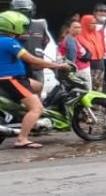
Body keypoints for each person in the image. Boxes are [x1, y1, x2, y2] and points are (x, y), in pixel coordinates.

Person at [0, 10, 70, 149]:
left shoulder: (4, 40)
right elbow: (31, 59)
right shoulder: (9, 42)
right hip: (13, 79)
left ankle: (29, 117)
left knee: (38, 86)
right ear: (13, 25)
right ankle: (22, 138)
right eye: (22, 26)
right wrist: (56, 65)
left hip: (14, 78)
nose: (24, 29)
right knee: (37, 108)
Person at [11, 0, 51, 95]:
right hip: (18, 67)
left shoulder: (41, 24)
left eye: (25, 12)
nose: (22, 15)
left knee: (37, 94)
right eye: (19, 12)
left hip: (37, 67)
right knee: (19, 96)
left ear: (32, 11)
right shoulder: (10, 26)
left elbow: (45, 42)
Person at [60, 19, 92, 89]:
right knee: (85, 90)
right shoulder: (70, 39)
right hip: (80, 69)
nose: (78, 29)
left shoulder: (73, 38)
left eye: (79, 27)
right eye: (75, 27)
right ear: (69, 29)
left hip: (82, 68)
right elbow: (72, 56)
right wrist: (72, 70)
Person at [81, 11, 106, 93]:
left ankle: (98, 101)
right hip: (88, 66)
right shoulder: (79, 37)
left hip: (100, 64)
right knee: (89, 88)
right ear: (85, 23)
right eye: (91, 23)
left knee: (99, 88)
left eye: (95, 23)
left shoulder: (98, 35)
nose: (94, 25)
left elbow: (103, 49)